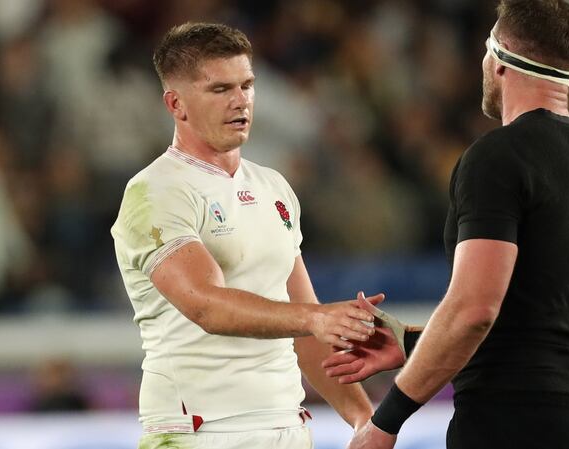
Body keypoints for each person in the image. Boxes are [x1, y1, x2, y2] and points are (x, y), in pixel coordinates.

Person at [323, 1, 569, 448]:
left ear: (500, 55)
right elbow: (531, 323)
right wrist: (413, 344)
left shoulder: (499, 156)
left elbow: (474, 312)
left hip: (504, 423)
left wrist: (385, 422)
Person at [110, 22, 381, 449]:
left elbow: (307, 328)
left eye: (247, 85)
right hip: (198, 431)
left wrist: (364, 419)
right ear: (176, 103)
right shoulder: (155, 192)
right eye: (220, 89)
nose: (241, 101)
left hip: (287, 426)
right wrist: (313, 318)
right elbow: (205, 306)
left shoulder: (274, 187)